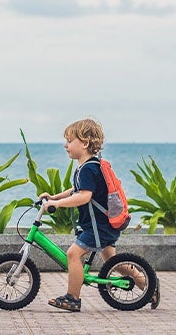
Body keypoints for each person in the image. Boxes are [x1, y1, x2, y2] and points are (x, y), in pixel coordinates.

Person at [39, 118, 120, 312]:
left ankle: (72, 298)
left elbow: (84, 196)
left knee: (73, 254)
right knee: (115, 263)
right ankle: (148, 285)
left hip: (97, 227)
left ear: (84, 143)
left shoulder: (89, 168)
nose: (65, 145)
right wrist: (54, 196)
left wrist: (57, 204)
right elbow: (75, 190)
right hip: (101, 225)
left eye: (69, 141)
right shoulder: (88, 166)